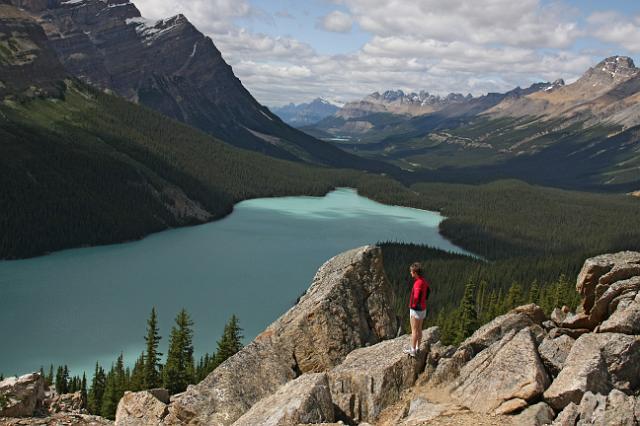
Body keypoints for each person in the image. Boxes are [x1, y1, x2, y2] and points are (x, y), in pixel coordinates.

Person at [403, 262, 430, 357]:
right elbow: (428, 292)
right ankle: (418, 348)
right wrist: (422, 301)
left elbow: (417, 295)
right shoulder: (424, 281)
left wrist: (413, 305)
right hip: (423, 309)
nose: (410, 272)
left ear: (415, 272)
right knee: (419, 329)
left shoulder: (418, 283)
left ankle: (412, 350)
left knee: (414, 330)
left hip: (416, 310)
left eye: (411, 271)